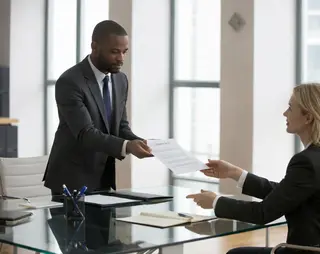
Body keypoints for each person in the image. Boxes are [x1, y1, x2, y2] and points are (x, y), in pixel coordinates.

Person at [187, 83, 320, 254]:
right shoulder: (313, 160)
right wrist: (235, 173)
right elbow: (285, 194)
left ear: (308, 117)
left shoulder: (306, 161)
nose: (284, 113)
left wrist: (215, 201)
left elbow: (262, 213)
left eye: (290, 108)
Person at [43, 20, 152, 195]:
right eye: (114, 52)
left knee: (106, 223)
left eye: (125, 52)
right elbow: (86, 133)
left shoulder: (120, 80)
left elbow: (120, 127)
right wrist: (128, 146)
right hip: (71, 181)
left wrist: (139, 142)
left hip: (104, 179)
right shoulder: (70, 82)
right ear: (95, 46)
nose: (121, 58)